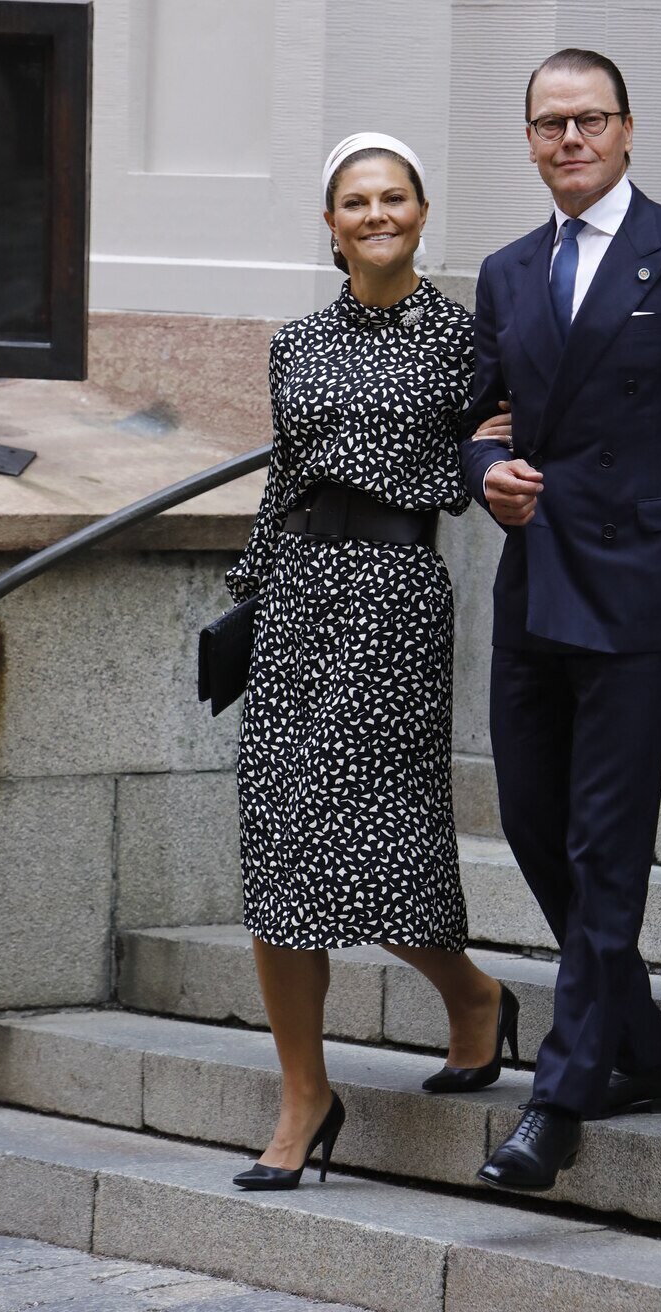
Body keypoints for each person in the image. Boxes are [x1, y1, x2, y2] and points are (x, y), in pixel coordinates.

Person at [460, 49, 661, 1193]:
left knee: (604, 840)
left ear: (627, 129)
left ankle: (561, 1093)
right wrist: (486, 467)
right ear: (531, 138)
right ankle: (641, 1050)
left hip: (648, 591)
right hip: (536, 583)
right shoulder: (507, 272)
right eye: (547, 122)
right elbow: (479, 417)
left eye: (587, 118)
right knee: (534, 820)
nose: (568, 139)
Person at [226, 133, 519, 1191]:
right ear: (330, 220)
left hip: (394, 597)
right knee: (279, 842)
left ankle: (474, 996)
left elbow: (492, 448)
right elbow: (282, 480)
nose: (376, 212)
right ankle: (304, 1094)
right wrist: (244, 599)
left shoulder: (463, 338)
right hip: (295, 598)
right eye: (356, 200)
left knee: (374, 837)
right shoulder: (293, 342)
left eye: (393, 196)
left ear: (423, 209)